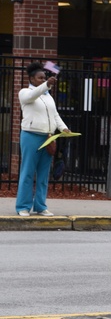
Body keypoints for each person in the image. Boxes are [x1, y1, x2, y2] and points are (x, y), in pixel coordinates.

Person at [16, 61, 71, 216]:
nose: (43, 79)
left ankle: (40, 206)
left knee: (43, 173)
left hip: (48, 137)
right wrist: (46, 85)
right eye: (40, 78)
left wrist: (63, 128)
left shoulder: (48, 97)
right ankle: (23, 207)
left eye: (44, 77)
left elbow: (55, 115)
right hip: (31, 136)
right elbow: (34, 95)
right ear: (32, 79)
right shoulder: (25, 93)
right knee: (27, 172)